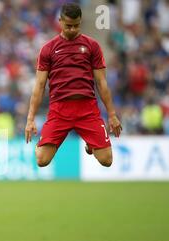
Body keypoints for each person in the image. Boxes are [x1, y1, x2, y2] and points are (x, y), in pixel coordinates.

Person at [25, 2, 122, 167]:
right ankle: (42, 144)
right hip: (59, 109)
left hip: (87, 109)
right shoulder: (48, 49)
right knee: (42, 160)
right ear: (60, 21)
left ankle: (90, 143)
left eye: (76, 26)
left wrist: (112, 115)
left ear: (81, 22)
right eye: (68, 26)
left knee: (107, 160)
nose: (72, 29)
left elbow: (101, 82)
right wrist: (30, 118)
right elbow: (39, 85)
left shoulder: (92, 46)